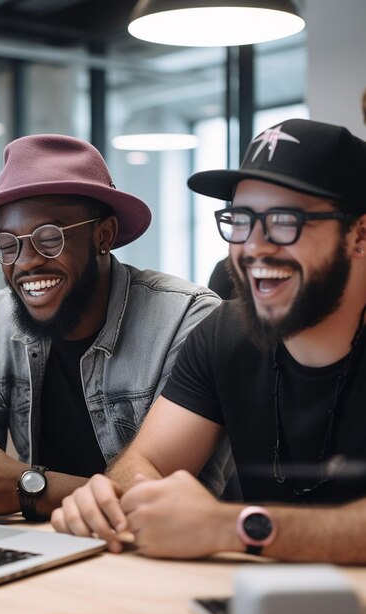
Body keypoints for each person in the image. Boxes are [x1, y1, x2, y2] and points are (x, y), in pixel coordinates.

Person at [51, 118, 366, 563]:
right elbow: (145, 462)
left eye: (283, 220)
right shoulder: (226, 332)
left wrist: (233, 527)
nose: (253, 246)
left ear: (359, 235)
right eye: (241, 220)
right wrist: (122, 501)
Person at [0, 133, 230, 521]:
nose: (25, 263)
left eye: (49, 238)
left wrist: (29, 486)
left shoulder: (186, 320)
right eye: (8, 245)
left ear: (103, 236)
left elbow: (166, 498)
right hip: (50, 543)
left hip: (157, 555)